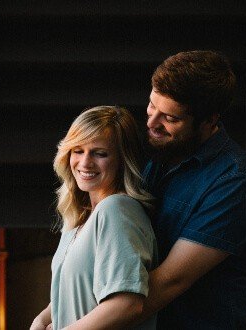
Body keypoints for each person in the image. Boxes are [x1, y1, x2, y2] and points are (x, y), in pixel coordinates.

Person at [140, 51, 246, 329]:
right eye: (152, 106)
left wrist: (86, 319)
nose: (152, 123)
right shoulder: (157, 154)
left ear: (209, 121)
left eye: (170, 118)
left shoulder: (238, 180)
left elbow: (170, 281)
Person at [31, 106, 158, 330]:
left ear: (122, 160)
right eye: (78, 150)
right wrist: (41, 320)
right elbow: (72, 288)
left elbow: (126, 304)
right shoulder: (78, 221)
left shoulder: (117, 210)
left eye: (100, 153)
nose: (85, 162)